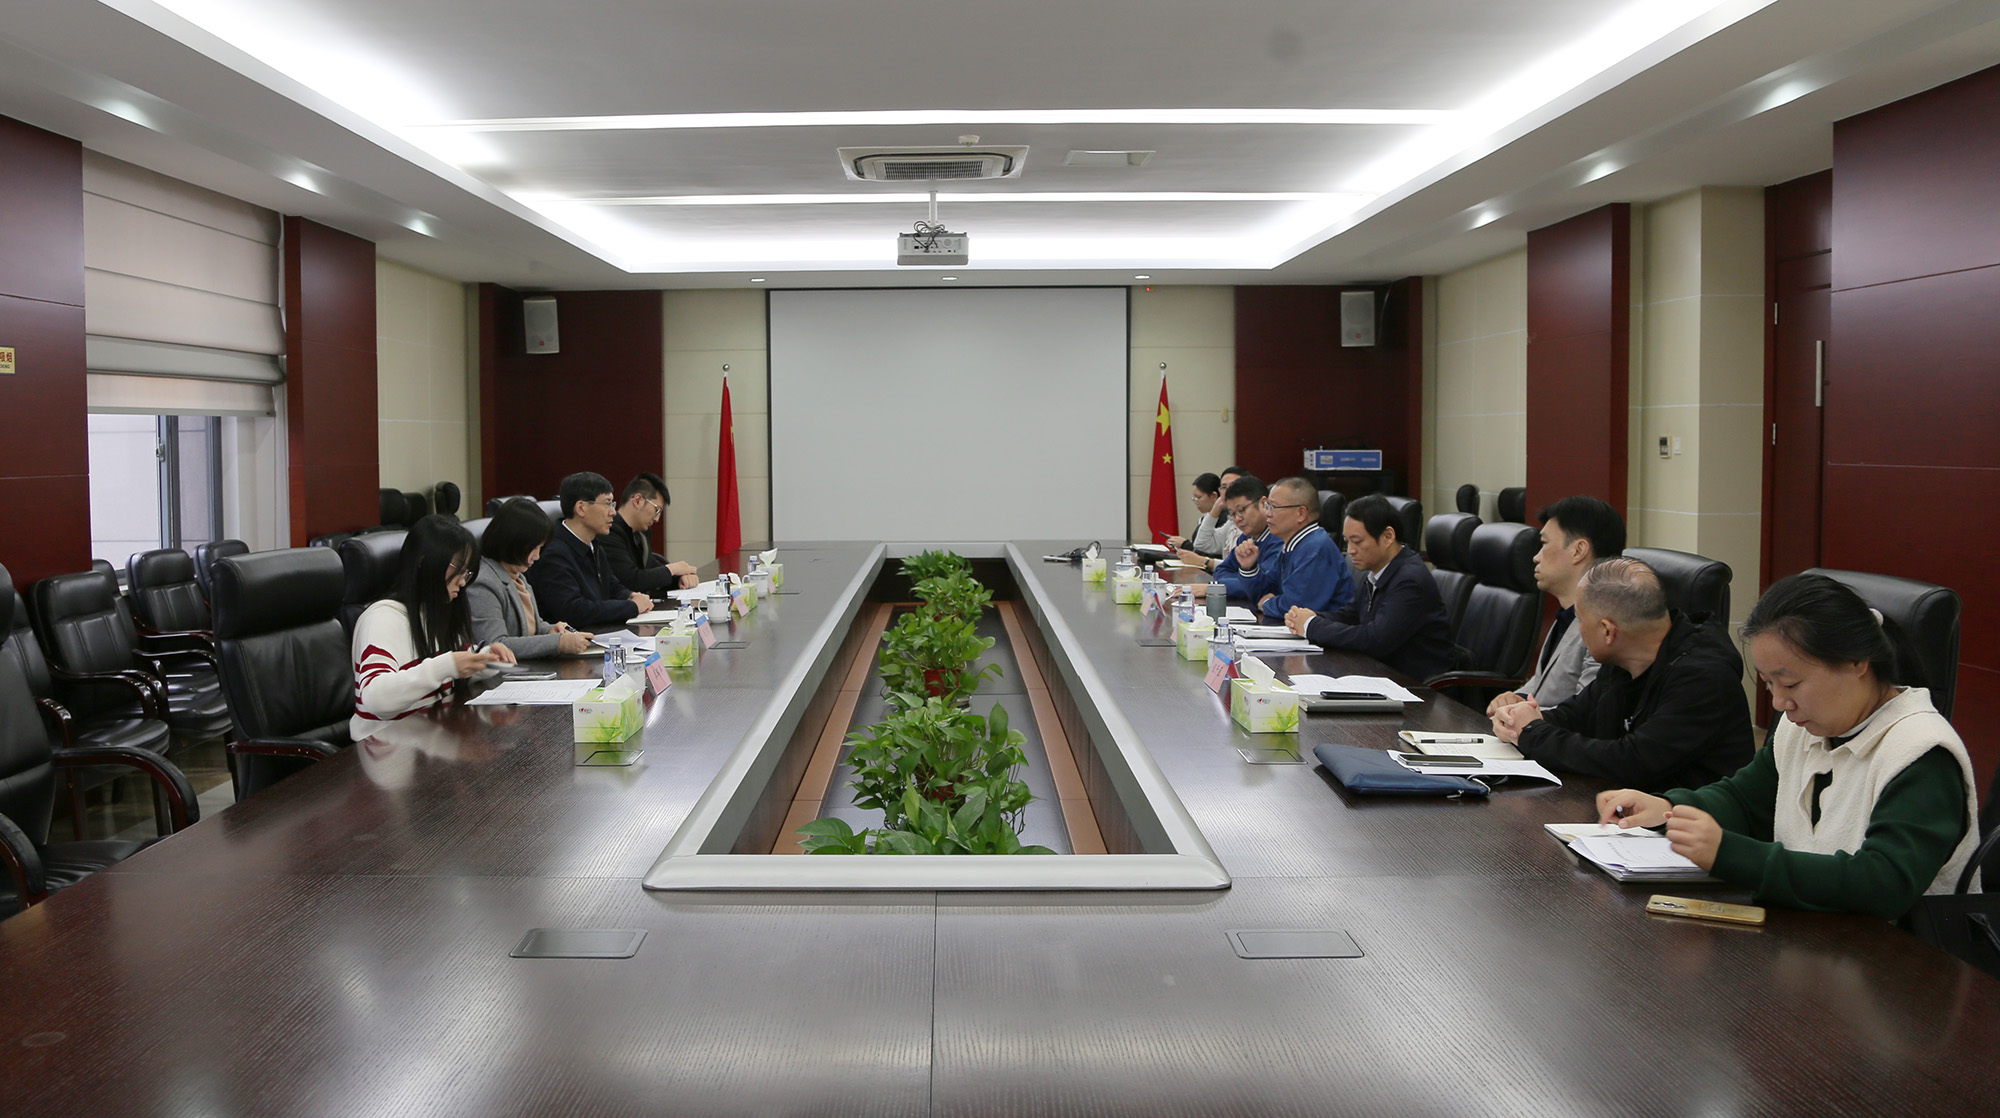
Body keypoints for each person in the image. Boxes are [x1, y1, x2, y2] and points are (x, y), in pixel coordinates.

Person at [1596, 573, 1980, 920]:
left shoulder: (1922, 753)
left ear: (1857, 662)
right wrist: (1667, 809)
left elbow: (1884, 883)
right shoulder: (1804, 728)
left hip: (1907, 959)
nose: (1780, 703)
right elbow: (1744, 800)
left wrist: (1731, 854)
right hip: (1816, 938)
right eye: (1768, 684)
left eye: (1791, 683)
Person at [1495, 557, 1752, 791]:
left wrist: (1534, 732)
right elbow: (1577, 716)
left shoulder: (1703, 678)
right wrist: (1520, 720)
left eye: (1580, 620)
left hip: (1683, 820)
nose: (1579, 630)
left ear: (1608, 631)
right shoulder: (1623, 660)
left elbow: (1632, 761)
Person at [351, 514, 515, 740]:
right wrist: (447, 665)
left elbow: (451, 675)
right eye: (458, 569)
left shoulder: (437, 611)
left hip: (432, 737)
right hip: (386, 749)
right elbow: (376, 700)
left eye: (467, 573)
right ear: (424, 562)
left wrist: (486, 659)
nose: (463, 582)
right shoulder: (383, 618)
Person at [1484, 495, 1625, 718]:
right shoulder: (1568, 613)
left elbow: (1588, 713)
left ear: (1578, 550)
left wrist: (1521, 716)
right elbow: (1542, 684)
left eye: (1544, 544)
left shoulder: (1605, 625)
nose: (1536, 557)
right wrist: (1514, 699)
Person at [1285, 492, 1452, 679]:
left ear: (1388, 536)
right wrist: (1308, 617)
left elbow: (1375, 640)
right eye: (1347, 542)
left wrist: (1312, 625)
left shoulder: (1409, 580)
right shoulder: (1377, 571)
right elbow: (1351, 615)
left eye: (1357, 541)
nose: (1350, 551)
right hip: (1379, 673)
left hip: (1414, 684)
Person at [466, 497, 597, 660]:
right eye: (534, 548)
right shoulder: (483, 582)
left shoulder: (518, 576)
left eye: (540, 548)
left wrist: (551, 631)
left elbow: (533, 628)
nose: (537, 556)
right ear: (513, 541)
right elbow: (495, 646)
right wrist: (557, 643)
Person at [528, 471, 656, 629]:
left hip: (598, 631)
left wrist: (630, 596)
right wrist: (632, 606)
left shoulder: (593, 543)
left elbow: (611, 585)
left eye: (612, 504)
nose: (613, 512)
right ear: (581, 508)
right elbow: (573, 611)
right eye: (607, 504)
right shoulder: (553, 552)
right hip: (572, 638)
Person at [1234, 477, 1354, 623]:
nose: (1267, 514)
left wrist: (1267, 604)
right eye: (1267, 506)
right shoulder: (1293, 545)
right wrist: (1249, 568)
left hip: (1326, 634)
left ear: (1301, 513)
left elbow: (1297, 608)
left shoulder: (1315, 548)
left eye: (1273, 507)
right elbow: (1265, 591)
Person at [604, 472, 699, 594]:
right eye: (657, 510)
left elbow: (650, 567)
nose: (657, 519)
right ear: (638, 500)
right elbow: (631, 580)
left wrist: (680, 578)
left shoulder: (642, 533)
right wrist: (673, 569)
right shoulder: (609, 531)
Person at [1202, 476, 1273, 598]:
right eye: (1233, 514)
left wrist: (1216, 587)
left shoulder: (1279, 538)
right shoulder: (1245, 538)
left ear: (1263, 504)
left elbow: (1267, 585)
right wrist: (1243, 580)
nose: (1238, 519)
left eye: (1242, 510)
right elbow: (1221, 570)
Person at [1172, 466, 1243, 560]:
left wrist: (1186, 545)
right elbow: (1201, 544)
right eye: (1224, 487)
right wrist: (1216, 508)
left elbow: (1205, 553)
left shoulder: (1226, 518)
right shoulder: (1230, 522)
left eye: (1199, 497)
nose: (1228, 492)